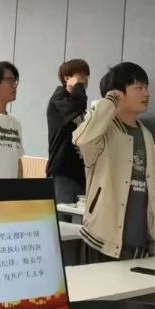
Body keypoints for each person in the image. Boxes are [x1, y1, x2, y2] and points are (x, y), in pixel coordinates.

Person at [72, 62, 155, 262]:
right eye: (138, 87)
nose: (146, 93)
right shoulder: (104, 131)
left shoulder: (146, 134)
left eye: (146, 87)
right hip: (103, 240)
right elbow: (82, 139)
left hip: (140, 243)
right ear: (117, 93)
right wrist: (108, 101)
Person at [46, 58, 90, 205]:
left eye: (86, 76)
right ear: (66, 78)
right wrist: (78, 85)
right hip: (63, 173)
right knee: (64, 216)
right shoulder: (59, 98)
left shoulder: (76, 103)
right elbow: (78, 104)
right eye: (81, 75)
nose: (85, 79)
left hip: (80, 173)